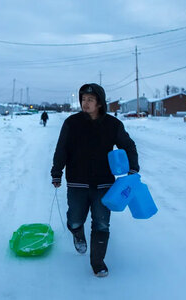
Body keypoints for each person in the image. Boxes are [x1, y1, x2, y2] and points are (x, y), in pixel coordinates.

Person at [51, 83, 139, 277]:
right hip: (77, 183)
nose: (85, 103)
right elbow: (61, 149)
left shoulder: (113, 124)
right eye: (83, 99)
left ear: (99, 103)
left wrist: (133, 168)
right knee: (74, 221)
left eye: (90, 100)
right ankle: (78, 235)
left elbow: (128, 145)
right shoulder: (71, 123)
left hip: (103, 184)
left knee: (101, 224)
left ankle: (98, 263)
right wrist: (57, 172)